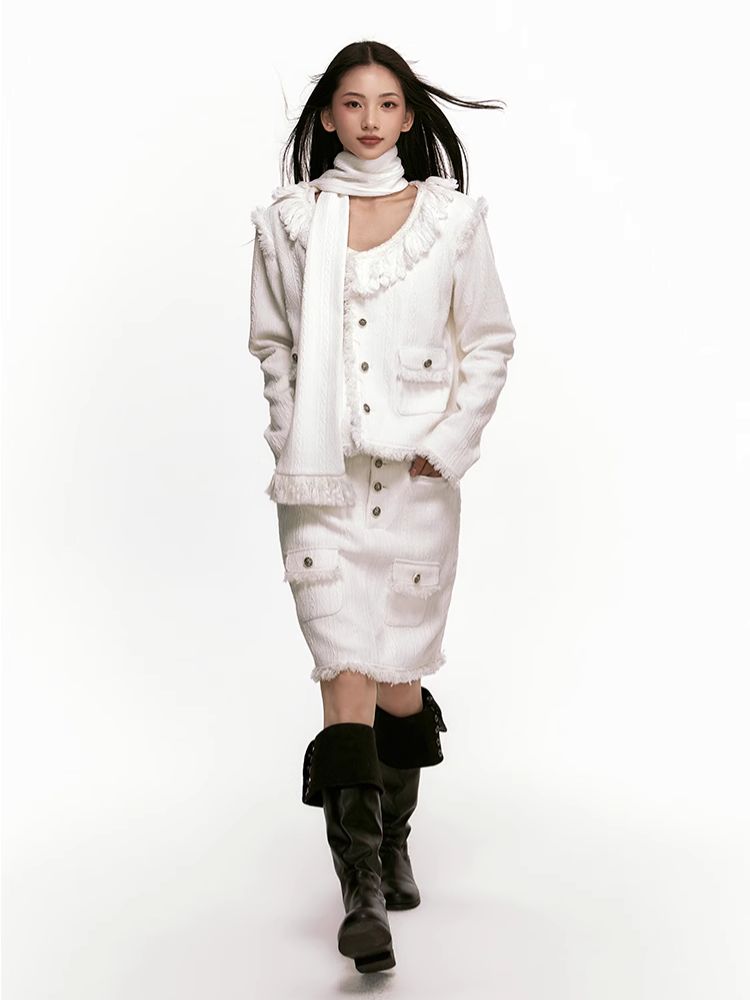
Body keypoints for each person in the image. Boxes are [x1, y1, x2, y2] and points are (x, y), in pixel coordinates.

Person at [248, 40, 516, 974]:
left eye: (388, 103)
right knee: (345, 673)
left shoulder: (451, 221)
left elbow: (489, 341)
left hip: (415, 486)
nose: (370, 119)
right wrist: (290, 431)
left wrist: (451, 443)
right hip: (318, 486)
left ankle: (394, 840)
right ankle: (361, 889)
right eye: (353, 103)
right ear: (327, 114)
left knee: (397, 680)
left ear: (407, 115)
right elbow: (273, 344)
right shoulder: (287, 224)